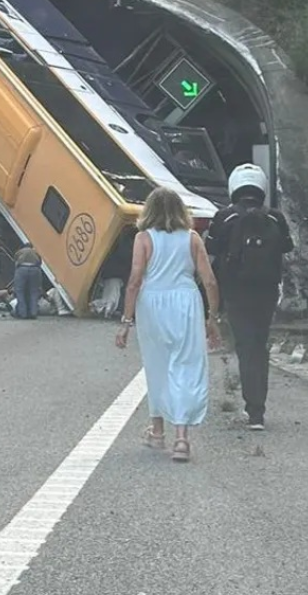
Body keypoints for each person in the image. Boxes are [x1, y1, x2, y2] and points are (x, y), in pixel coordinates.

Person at [115, 187, 221, 463]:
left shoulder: (143, 238)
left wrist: (126, 322)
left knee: (157, 365)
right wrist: (212, 318)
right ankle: (182, 438)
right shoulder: (192, 238)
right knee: (186, 365)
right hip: (186, 302)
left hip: (153, 303)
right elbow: (209, 281)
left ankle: (158, 431)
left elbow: (135, 281)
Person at [204, 163, 294, 431]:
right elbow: (287, 246)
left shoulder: (224, 216)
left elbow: (211, 247)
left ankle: (253, 410)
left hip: (236, 290)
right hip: (267, 290)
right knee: (259, 343)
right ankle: (258, 409)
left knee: (245, 345)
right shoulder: (275, 218)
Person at [12, 242, 43, 319]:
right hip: (35, 269)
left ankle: (22, 313)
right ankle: (33, 313)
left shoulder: (20, 251)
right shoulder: (35, 252)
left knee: (20, 291)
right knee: (34, 291)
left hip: (22, 269)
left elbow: (15, 260)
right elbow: (40, 262)